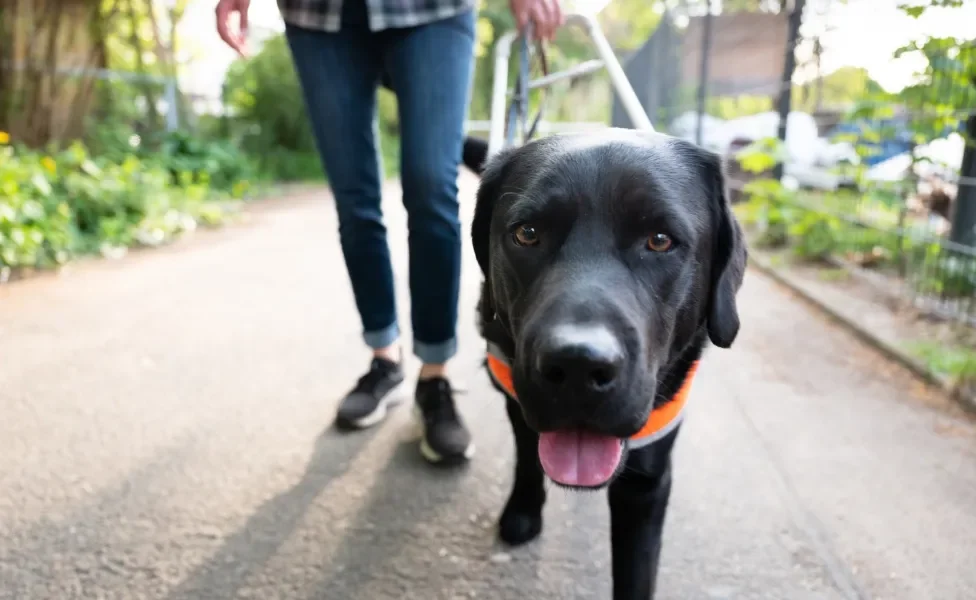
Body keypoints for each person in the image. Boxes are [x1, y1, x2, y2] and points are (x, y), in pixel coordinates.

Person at [215, 0, 563, 465]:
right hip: (318, 16)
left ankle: (434, 375)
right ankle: (385, 359)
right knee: (355, 200)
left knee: (431, 186)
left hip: (431, 10)